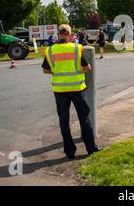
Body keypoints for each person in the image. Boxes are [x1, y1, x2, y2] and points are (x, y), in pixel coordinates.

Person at [42, 24, 99, 159]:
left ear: (58, 34)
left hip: (60, 89)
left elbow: (46, 70)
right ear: (70, 34)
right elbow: (87, 68)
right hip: (77, 89)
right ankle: (91, 149)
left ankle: (69, 151)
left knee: (64, 120)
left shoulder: (50, 50)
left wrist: (57, 72)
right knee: (84, 118)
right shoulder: (76, 48)